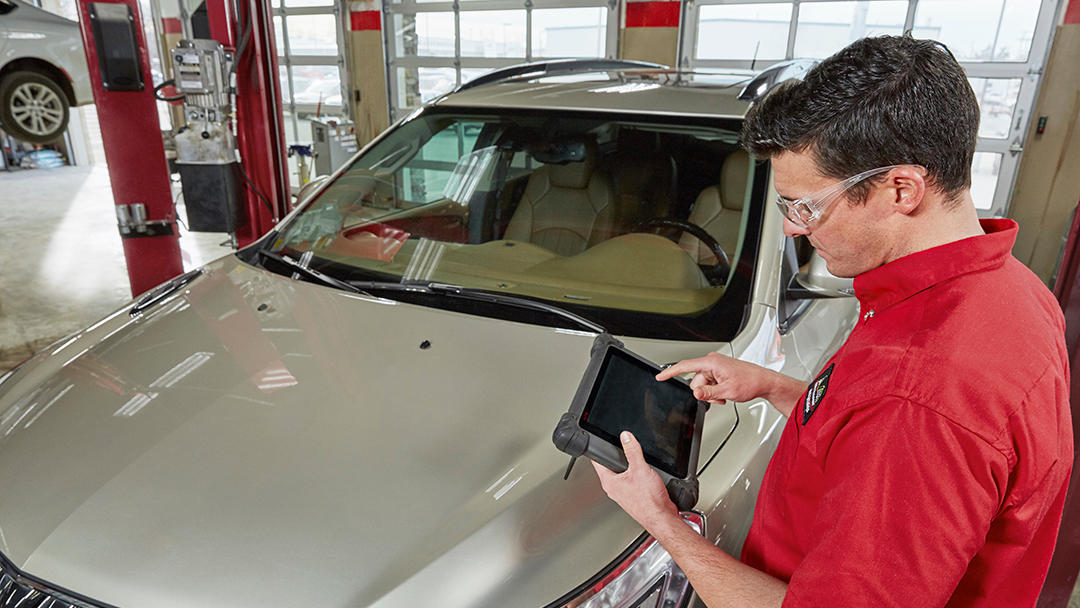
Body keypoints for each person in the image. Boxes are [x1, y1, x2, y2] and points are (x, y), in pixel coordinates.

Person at [592, 35, 1072, 607]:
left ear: (901, 190)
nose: (793, 228)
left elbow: (906, 422)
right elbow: (869, 434)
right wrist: (772, 386)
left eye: (806, 206)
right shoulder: (1011, 290)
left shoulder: (920, 395)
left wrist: (662, 522)